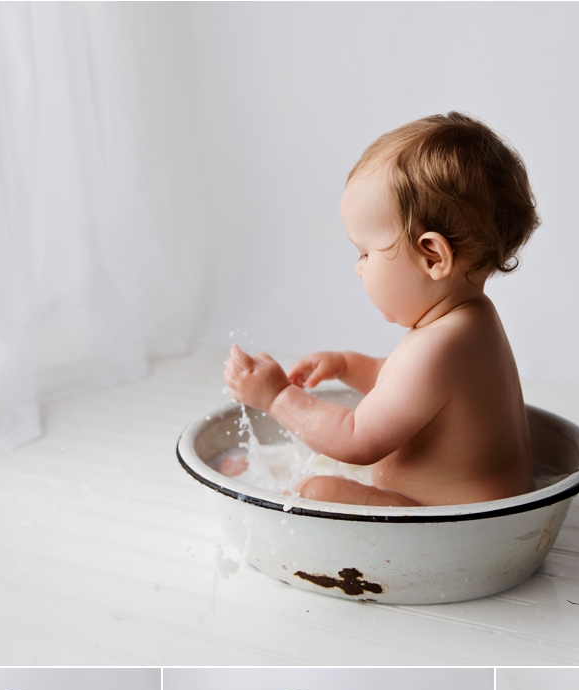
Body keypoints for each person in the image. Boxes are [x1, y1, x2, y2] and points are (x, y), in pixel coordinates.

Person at [223, 112, 538, 507]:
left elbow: (355, 438)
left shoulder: (440, 346)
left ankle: (268, 476)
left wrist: (276, 397)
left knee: (314, 491)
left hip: (446, 521)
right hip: (491, 508)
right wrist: (348, 364)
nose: (357, 268)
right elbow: (409, 393)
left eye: (364, 253)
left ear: (432, 256)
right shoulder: (472, 320)